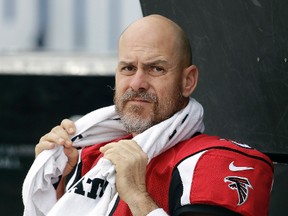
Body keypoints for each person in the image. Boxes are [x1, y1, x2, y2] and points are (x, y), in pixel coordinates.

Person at [25, 14, 273, 216]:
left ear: (188, 81)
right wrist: (55, 180)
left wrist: (137, 196)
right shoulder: (88, 155)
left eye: (156, 68)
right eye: (128, 68)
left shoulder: (216, 162)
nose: (137, 83)